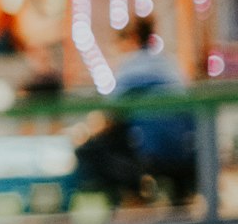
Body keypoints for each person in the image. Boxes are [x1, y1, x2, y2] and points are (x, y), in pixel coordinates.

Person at [74, 12, 198, 202]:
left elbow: (111, 114)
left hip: (147, 150)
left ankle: (135, 193)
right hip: (182, 149)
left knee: (90, 151)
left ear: (131, 39)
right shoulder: (169, 65)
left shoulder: (129, 67)